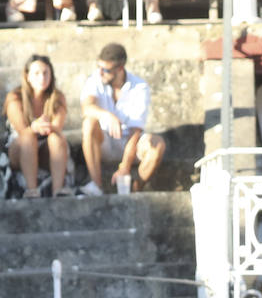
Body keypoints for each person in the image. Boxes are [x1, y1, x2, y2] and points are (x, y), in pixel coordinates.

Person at [80, 42, 166, 196]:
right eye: (99, 67)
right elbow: (87, 108)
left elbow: (135, 131)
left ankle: (136, 189)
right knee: (89, 123)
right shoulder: (95, 79)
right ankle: (97, 185)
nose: (100, 73)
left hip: (130, 141)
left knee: (157, 144)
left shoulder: (139, 87)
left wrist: (125, 166)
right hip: (104, 140)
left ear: (120, 69)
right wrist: (107, 115)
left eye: (105, 70)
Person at [3, 53, 71, 199]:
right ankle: (31, 190)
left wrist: (46, 126)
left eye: (46, 73)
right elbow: (21, 129)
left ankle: (58, 190)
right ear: (27, 76)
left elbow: (57, 126)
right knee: (28, 136)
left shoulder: (57, 98)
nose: (42, 78)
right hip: (20, 150)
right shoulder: (15, 97)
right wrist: (34, 127)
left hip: (47, 150)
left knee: (56, 137)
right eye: (37, 73)